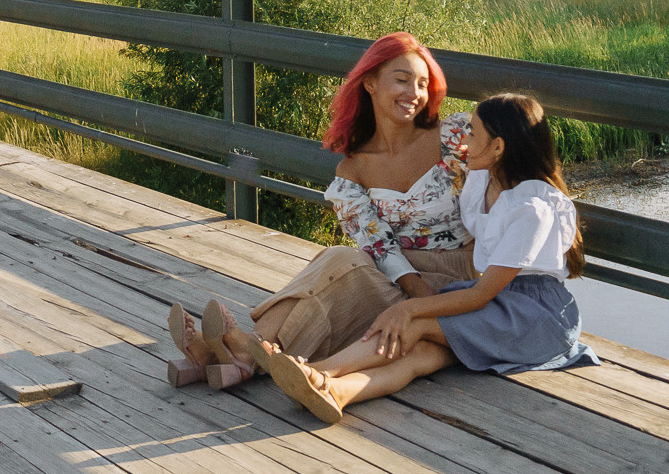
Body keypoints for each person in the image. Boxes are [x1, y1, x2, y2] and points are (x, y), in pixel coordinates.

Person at [261, 91, 600, 424]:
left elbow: (482, 293)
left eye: (472, 133)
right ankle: (337, 391)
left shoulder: (532, 210)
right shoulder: (483, 179)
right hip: (500, 301)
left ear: (498, 147)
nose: (463, 139)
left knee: (413, 325)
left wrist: (407, 307)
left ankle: (317, 372)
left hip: (533, 316)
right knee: (422, 353)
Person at [164, 31, 474, 388]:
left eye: (422, 84)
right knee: (340, 260)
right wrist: (413, 289)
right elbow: (381, 249)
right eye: (402, 80)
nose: (414, 93)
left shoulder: (454, 137)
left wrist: (425, 301)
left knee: (340, 266)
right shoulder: (353, 170)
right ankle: (240, 355)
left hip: (455, 281)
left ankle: (229, 354)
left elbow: (506, 185)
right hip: (400, 279)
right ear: (370, 83)